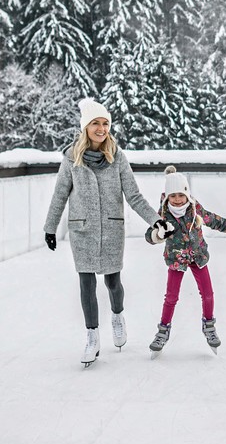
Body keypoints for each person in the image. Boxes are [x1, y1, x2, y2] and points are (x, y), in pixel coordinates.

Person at [43, 98, 166, 367]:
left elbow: (133, 195)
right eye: (96, 123)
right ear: (85, 127)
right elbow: (59, 195)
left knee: (112, 283)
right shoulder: (70, 159)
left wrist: (155, 221)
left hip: (111, 229)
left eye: (105, 123)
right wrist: (50, 228)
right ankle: (92, 337)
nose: (101, 128)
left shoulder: (117, 157)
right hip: (82, 230)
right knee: (86, 284)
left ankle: (117, 316)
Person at [144, 165, 226, 355]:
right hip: (176, 260)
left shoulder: (195, 210)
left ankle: (209, 326)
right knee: (171, 297)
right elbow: (149, 234)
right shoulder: (163, 215)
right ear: (167, 197)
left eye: (180, 195)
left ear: (187, 195)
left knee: (208, 294)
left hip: (198, 256)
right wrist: (157, 235)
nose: (177, 199)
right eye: (172, 196)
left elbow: (215, 220)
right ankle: (163, 330)